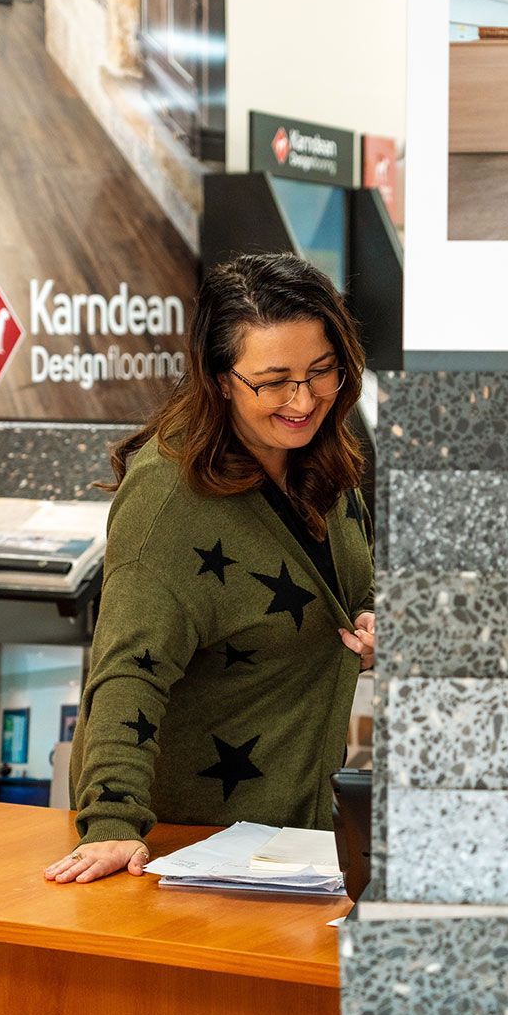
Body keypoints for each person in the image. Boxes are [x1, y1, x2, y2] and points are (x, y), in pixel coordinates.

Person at [44, 253, 375, 885]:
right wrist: (113, 823)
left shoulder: (322, 457)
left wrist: (373, 621)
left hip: (294, 834)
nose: (303, 400)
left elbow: (349, 586)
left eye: (322, 372)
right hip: (191, 848)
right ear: (221, 379)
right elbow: (127, 671)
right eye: (273, 381)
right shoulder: (169, 499)